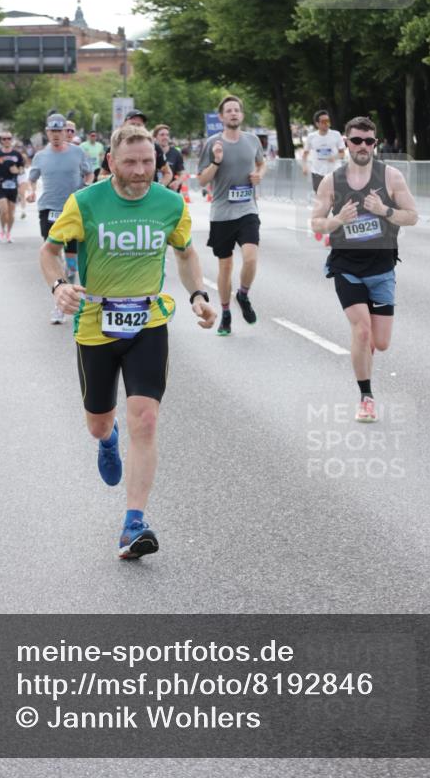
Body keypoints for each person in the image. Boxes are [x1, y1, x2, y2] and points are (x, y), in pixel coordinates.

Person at [40, 124, 216, 559]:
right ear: (111, 163)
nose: (140, 171)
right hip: (95, 325)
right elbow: (49, 251)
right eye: (131, 163)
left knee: (146, 419)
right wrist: (59, 285)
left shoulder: (170, 203)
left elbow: (186, 253)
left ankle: (133, 524)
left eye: (148, 162)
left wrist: (197, 294)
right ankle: (107, 437)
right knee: (99, 424)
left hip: (148, 322)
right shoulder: (85, 202)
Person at [310, 116, 418, 422]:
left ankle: (365, 354)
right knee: (362, 330)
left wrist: (384, 210)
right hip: (346, 267)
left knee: (380, 342)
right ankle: (366, 398)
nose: (362, 146)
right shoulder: (332, 181)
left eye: (368, 141)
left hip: (382, 268)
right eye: (356, 140)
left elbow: (412, 216)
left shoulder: (391, 177)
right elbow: (316, 222)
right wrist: (337, 220)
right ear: (346, 142)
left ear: (375, 143)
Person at [197, 95, 266, 336]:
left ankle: (243, 295)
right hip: (222, 214)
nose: (234, 113)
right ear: (221, 117)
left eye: (237, 110)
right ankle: (225, 313)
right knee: (225, 267)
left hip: (247, 209)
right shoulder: (212, 143)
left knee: (250, 258)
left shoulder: (252, 140)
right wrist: (216, 162)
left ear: (242, 115)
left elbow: (261, 163)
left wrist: (259, 175)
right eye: (229, 110)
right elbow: (202, 180)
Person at [27, 113, 93, 323]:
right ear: (47, 132)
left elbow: (89, 173)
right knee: (52, 254)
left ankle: (67, 298)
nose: (56, 135)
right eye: (52, 131)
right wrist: (31, 191)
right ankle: (59, 304)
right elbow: (32, 178)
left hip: (72, 211)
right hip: (48, 209)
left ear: (66, 131)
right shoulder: (40, 156)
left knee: (71, 263)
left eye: (59, 131)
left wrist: (86, 187)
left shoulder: (78, 152)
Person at [98, 110, 172, 187]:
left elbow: (168, 173)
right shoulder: (114, 147)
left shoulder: (154, 147)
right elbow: (100, 177)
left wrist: (159, 188)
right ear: (124, 125)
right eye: (132, 124)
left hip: (147, 192)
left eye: (139, 125)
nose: (136, 128)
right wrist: (118, 178)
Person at [301, 110, 345, 193]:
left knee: (335, 196)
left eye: (328, 121)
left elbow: (342, 153)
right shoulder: (311, 137)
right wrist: (304, 167)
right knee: (319, 197)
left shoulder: (336, 134)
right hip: (317, 172)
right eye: (323, 121)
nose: (326, 123)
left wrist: (335, 157)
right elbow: (305, 154)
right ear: (317, 123)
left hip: (334, 172)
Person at [0, 132, 24, 243]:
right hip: (1, 185)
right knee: (4, 210)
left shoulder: (17, 154)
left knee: (11, 213)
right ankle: (2, 231)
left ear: (11, 140)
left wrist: (17, 171)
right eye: (4, 139)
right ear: (1, 140)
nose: (6, 140)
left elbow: (22, 169)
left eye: (8, 138)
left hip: (13, 185)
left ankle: (9, 233)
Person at [153, 124, 185, 192]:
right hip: (154, 191)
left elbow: (182, 174)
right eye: (162, 135)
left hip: (170, 191)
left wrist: (177, 182)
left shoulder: (176, 153)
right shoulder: (150, 152)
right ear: (155, 137)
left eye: (167, 135)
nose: (165, 137)